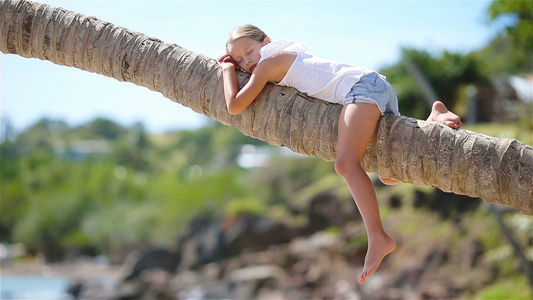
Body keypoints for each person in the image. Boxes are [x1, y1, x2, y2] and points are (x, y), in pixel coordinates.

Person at [217, 24, 462, 283]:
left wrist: (226, 70)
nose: (246, 62)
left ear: (266, 42)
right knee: (390, 176)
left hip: (361, 89)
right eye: (239, 60)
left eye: (249, 52)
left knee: (345, 164)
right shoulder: (287, 51)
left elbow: (234, 105)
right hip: (372, 86)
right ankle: (433, 120)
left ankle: (378, 237)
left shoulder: (268, 64)